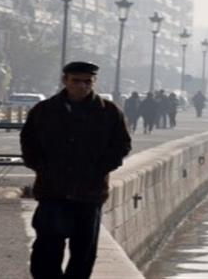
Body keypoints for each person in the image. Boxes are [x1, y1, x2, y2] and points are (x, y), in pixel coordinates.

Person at [20, 61, 132, 279]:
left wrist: (101, 168)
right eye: (76, 81)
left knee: (83, 250)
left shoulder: (108, 112)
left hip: (89, 192)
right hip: (52, 190)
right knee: (47, 247)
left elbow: (121, 145)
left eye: (87, 82)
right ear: (65, 81)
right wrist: (42, 167)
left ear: (94, 82)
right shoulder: (44, 110)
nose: (82, 86)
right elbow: (28, 142)